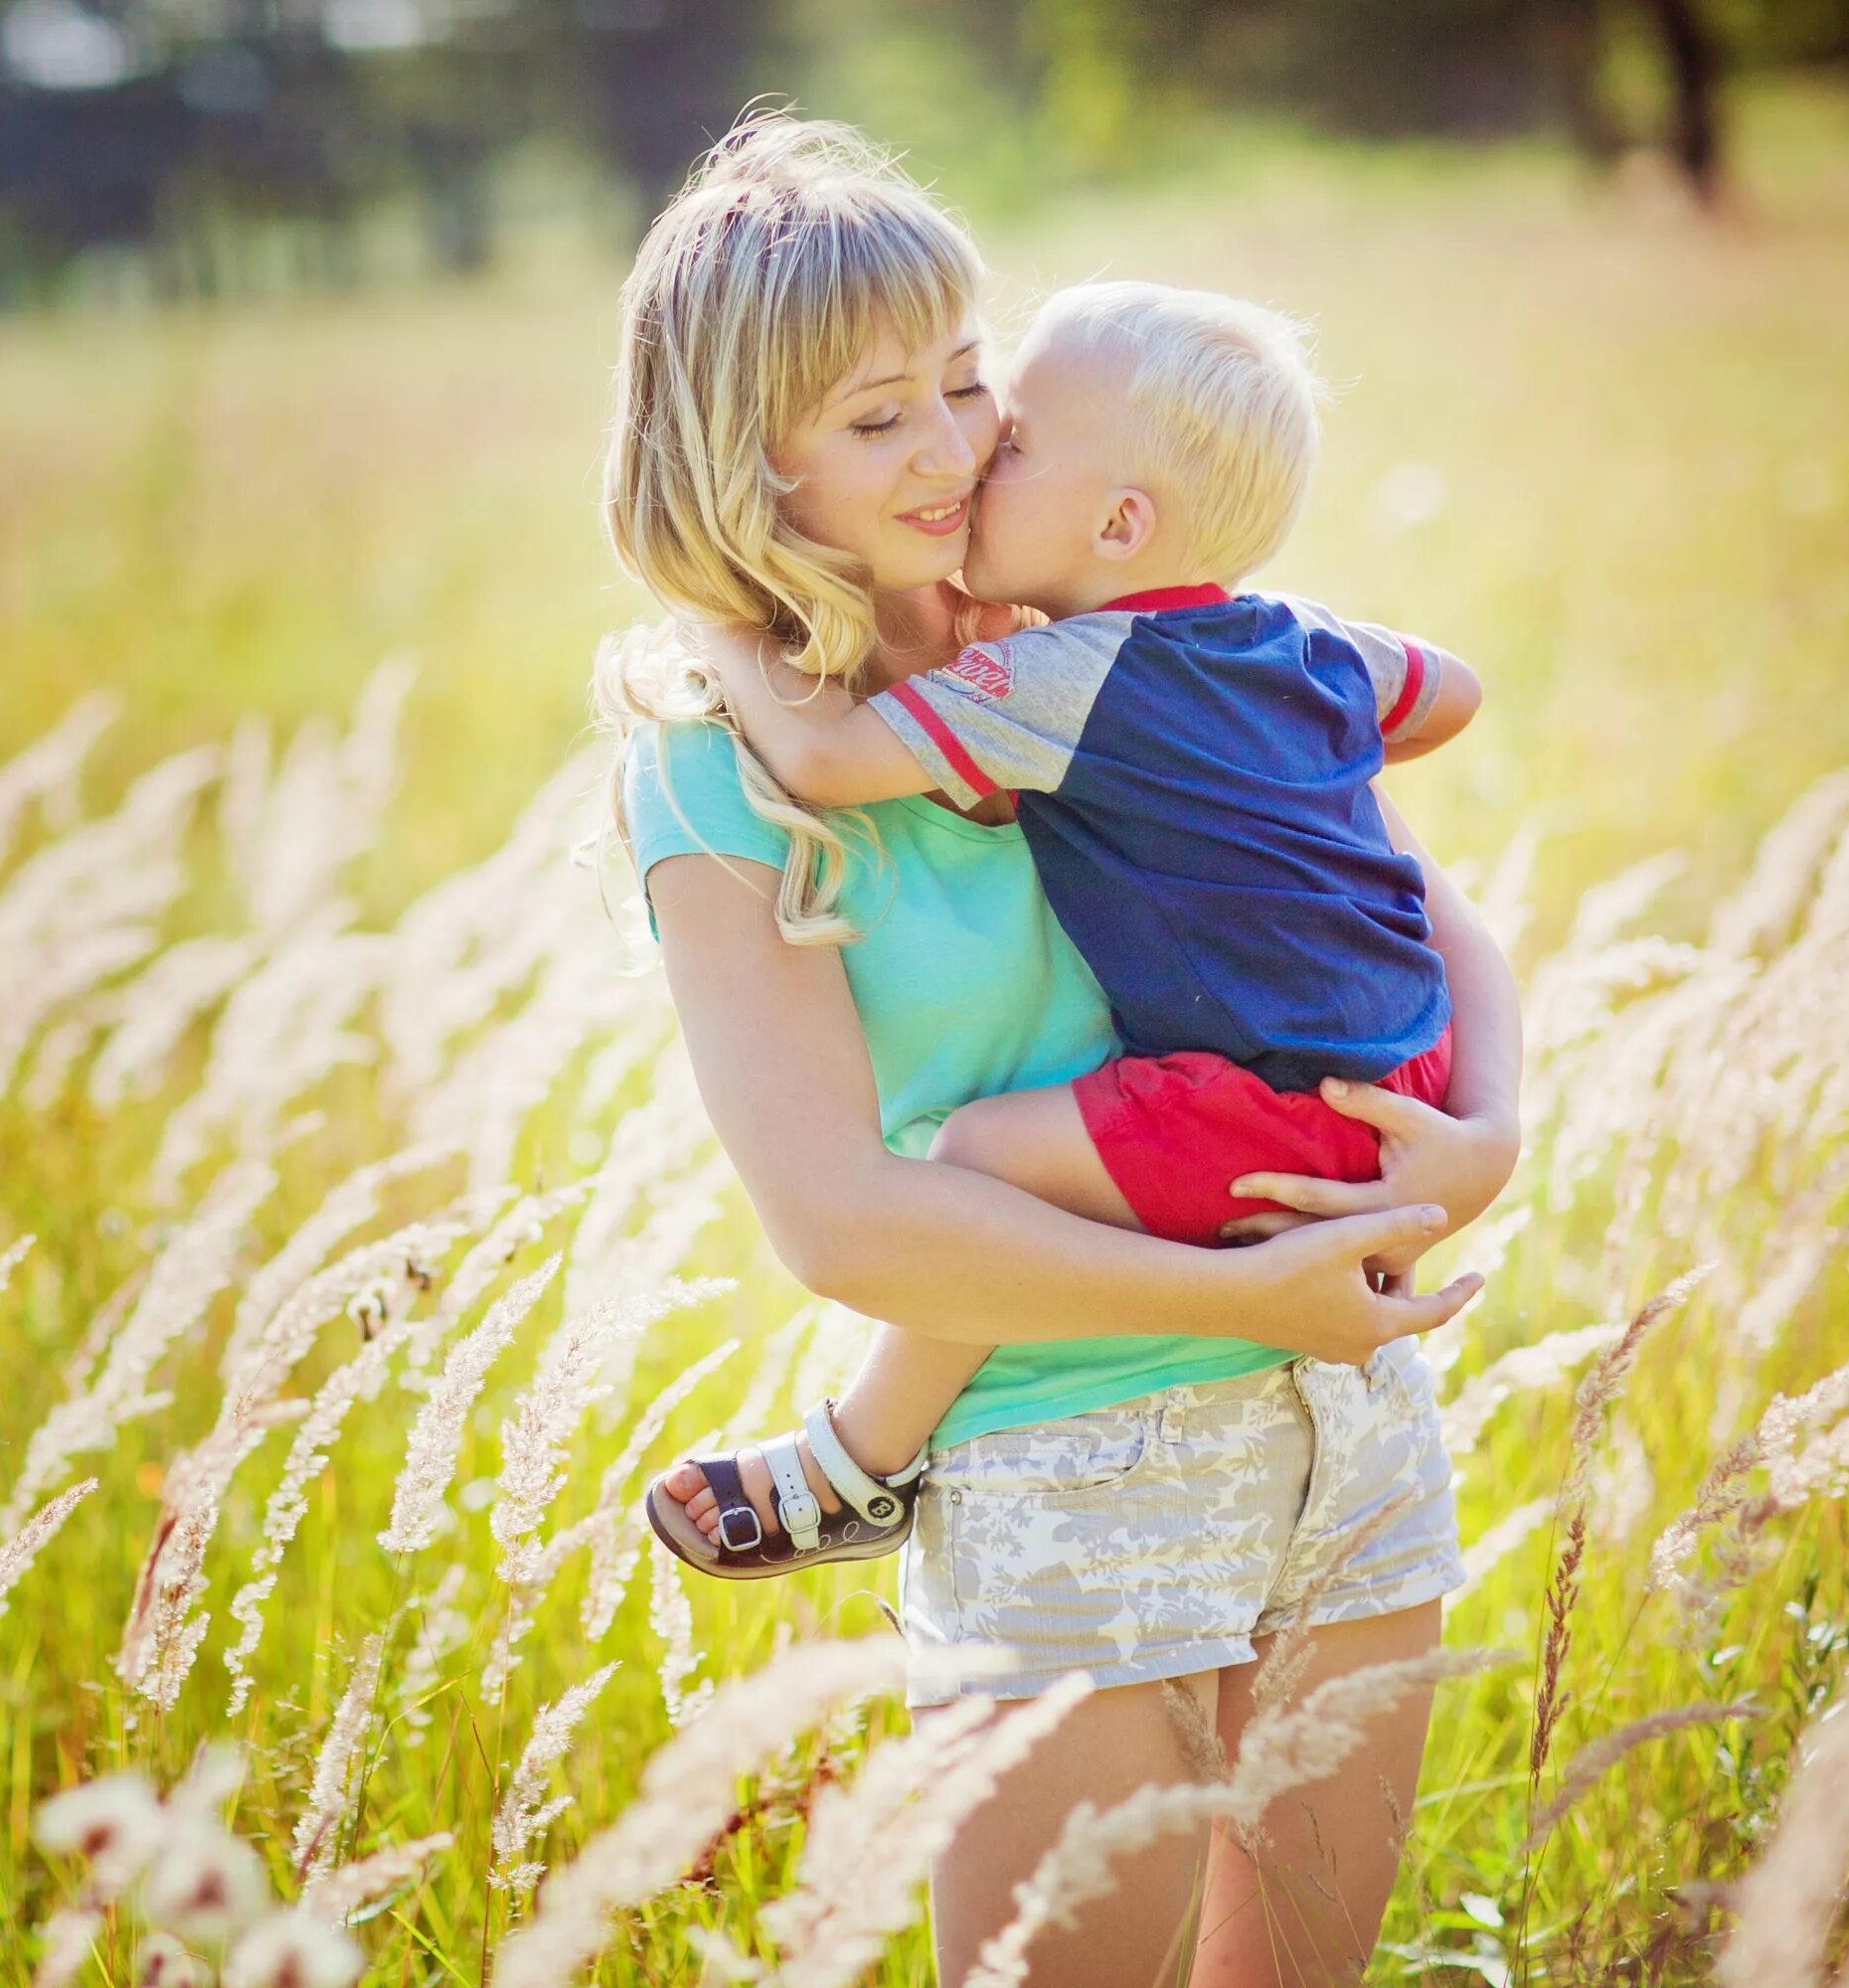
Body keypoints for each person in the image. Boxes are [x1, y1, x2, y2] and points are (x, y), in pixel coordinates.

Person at [595, 111, 1521, 1984]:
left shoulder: (1123, 630)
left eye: (965, 383)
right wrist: (1270, 1303)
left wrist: (1491, 1135)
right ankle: (857, 1465)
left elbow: (1422, 920)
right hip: (1068, 1457)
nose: (949, 449)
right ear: (736, 460)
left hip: (1353, 1420)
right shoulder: (719, 767)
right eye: (875, 421)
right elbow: (847, 1226)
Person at [655, 278, 1490, 1573]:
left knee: (983, 1147)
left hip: (1273, 1121)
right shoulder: (1299, 647)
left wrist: (718, 606)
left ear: (1116, 522)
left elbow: (823, 763)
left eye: (1008, 427)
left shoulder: (1056, 675)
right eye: (887, 416)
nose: (978, 450)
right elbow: (1452, 692)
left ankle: (857, 1459)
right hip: (1398, 1085)